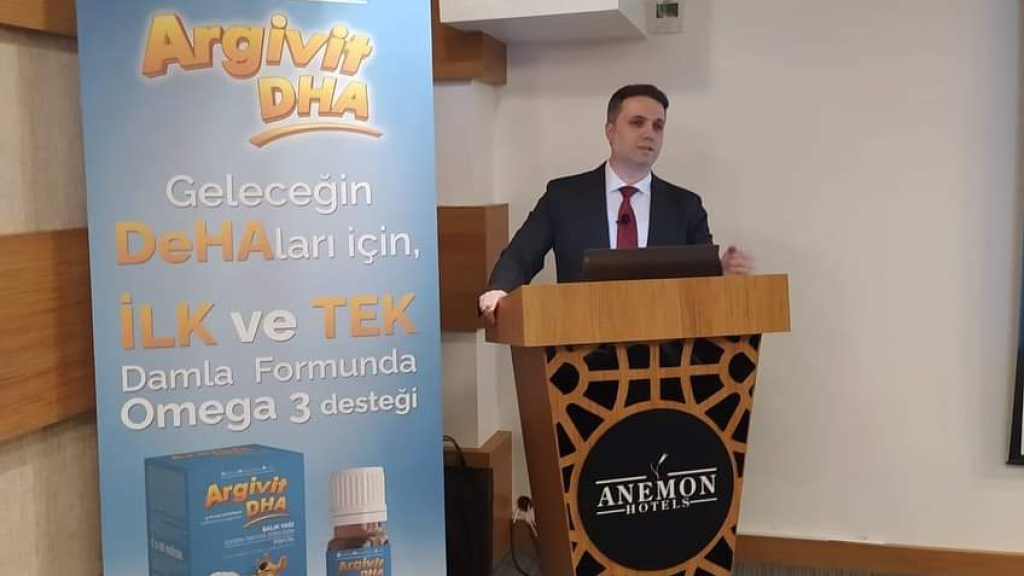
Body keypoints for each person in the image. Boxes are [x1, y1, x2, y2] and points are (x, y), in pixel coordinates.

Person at [478, 84, 753, 324]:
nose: (649, 133)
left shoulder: (686, 206)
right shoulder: (564, 196)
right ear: (610, 131)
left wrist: (720, 275)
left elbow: (701, 284)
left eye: (658, 126)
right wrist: (500, 290)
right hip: (581, 351)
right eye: (637, 122)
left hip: (664, 356)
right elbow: (520, 256)